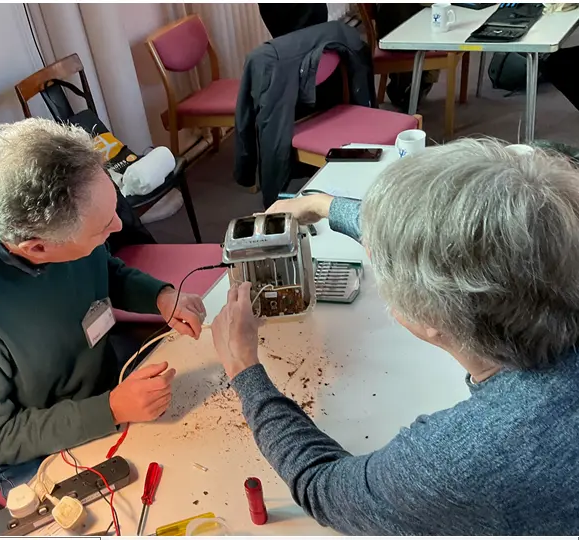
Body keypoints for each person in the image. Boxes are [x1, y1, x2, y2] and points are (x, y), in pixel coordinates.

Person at [210, 139, 579, 534]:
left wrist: (243, 367)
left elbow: (325, 488)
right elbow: (449, 239)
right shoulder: (557, 252)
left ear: (432, 314)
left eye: (388, 268)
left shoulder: (457, 459)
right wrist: (323, 205)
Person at [0, 118, 206, 496]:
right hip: (39, 445)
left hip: (107, 388)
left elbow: (102, 270)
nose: (118, 226)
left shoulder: (60, 214)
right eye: (101, 229)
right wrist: (110, 410)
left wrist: (157, 295)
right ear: (37, 249)